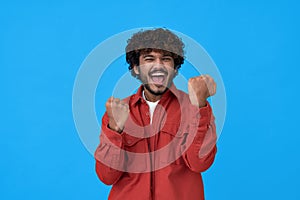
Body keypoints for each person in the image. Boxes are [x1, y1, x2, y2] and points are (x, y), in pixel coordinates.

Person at [94, 28, 217, 200]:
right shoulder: (118, 111)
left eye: (166, 59)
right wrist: (115, 129)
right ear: (136, 68)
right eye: (149, 59)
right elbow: (107, 176)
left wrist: (200, 106)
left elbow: (200, 163)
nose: (158, 65)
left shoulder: (194, 107)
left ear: (174, 69)